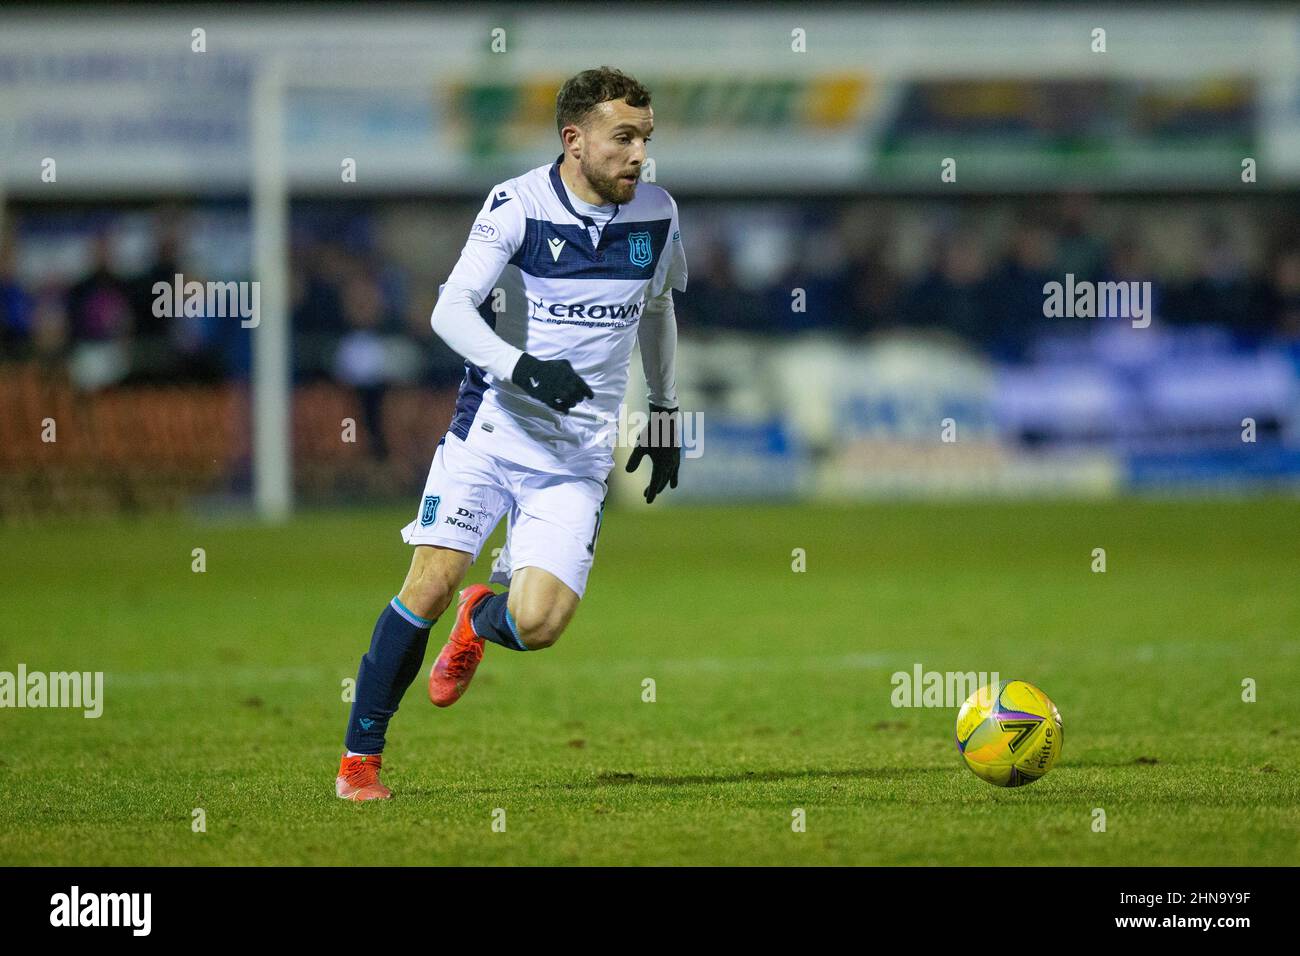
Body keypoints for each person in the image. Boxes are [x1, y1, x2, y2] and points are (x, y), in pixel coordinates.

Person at [335, 66, 688, 799]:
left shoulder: (657, 214)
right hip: (491, 434)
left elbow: (657, 310)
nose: (638, 154)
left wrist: (663, 408)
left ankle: (481, 617)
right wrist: (525, 369)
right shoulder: (516, 205)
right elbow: (450, 311)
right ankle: (360, 761)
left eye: (645, 139)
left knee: (539, 624)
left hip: (578, 456)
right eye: (623, 137)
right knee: (429, 584)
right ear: (574, 140)